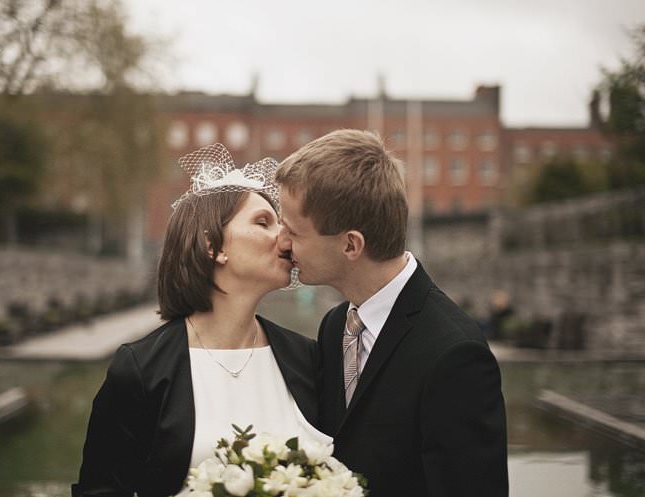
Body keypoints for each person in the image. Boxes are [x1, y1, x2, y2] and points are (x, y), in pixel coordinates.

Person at [72, 144, 330, 497]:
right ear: (213, 246)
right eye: (262, 222)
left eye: (281, 224)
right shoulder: (141, 369)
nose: (283, 238)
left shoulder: (308, 358)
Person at [276, 129, 508, 497]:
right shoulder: (335, 326)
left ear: (351, 244)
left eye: (293, 231)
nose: (282, 242)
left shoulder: (454, 354)